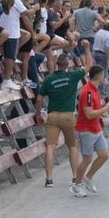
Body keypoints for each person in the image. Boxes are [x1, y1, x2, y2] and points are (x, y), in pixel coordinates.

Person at [36, 50, 85, 187]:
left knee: (50, 147)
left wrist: (38, 114)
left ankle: (49, 179)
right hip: (68, 116)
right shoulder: (73, 76)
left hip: (53, 116)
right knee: (73, 147)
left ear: (57, 64)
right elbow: (89, 66)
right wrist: (86, 48)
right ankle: (75, 177)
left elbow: (39, 99)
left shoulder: (49, 79)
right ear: (68, 64)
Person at [72, 64, 109, 197]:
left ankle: (88, 178)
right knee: (87, 158)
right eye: (103, 75)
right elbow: (88, 113)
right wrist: (105, 109)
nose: (104, 77)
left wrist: (101, 113)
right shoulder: (87, 91)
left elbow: (93, 109)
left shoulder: (94, 89)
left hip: (95, 128)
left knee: (104, 155)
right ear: (99, 76)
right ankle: (77, 185)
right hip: (85, 129)